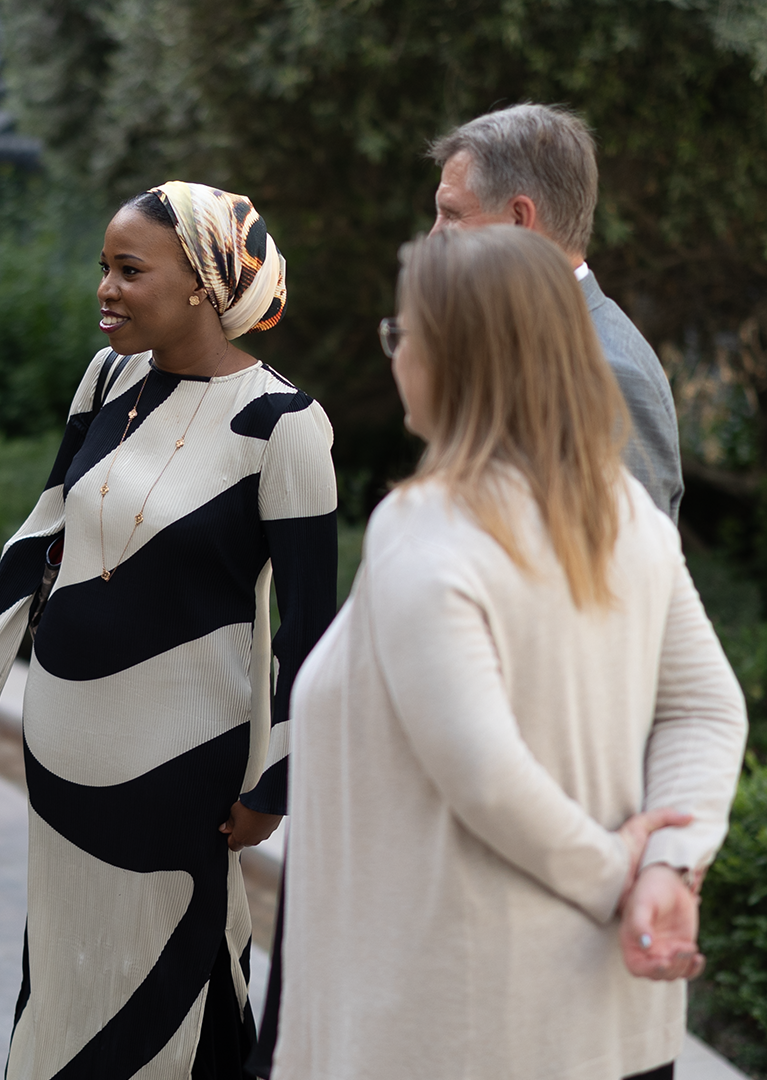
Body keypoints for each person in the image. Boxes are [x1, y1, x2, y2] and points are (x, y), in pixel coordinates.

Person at [273, 227, 748, 1080]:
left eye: (402, 331)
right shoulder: (621, 510)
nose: (394, 353)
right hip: (610, 1016)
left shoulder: (426, 526)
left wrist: (622, 871)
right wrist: (667, 869)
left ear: (456, 357)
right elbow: (706, 709)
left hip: (461, 1028)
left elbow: (483, 771)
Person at [0, 182, 339, 1079]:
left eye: (129, 271)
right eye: (104, 267)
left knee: (175, 957)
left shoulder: (285, 425)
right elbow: (42, 533)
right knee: (63, 961)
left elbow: (311, 627)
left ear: (202, 284)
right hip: (64, 734)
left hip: (183, 757)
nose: (105, 289)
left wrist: (277, 782)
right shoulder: (110, 379)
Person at [429, 102, 684, 521]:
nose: (433, 236)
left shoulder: (610, 374)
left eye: (452, 214)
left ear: (519, 219)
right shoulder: (522, 340)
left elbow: (623, 557)